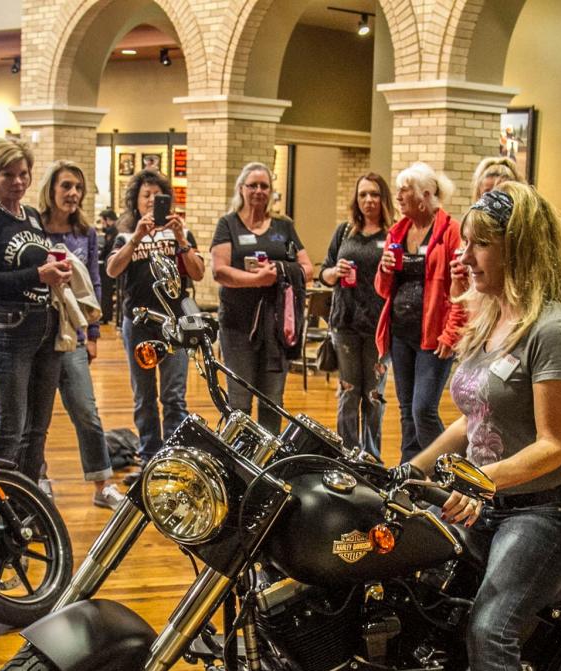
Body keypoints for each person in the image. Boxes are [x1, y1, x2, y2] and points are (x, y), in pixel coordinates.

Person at [410, 182, 561, 671]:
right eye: (467, 242)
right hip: (489, 502)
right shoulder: (492, 318)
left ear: (520, 249)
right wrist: (420, 462)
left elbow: (553, 444)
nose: (466, 255)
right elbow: (477, 417)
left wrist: (481, 482)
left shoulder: (553, 329)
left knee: (491, 629)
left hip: (546, 513)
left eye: (481, 244)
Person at [0, 138, 73, 482]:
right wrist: (37, 273)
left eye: (23, 173)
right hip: (7, 326)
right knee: (11, 425)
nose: (18, 182)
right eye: (8, 174)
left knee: (38, 427)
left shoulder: (33, 216)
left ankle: (25, 498)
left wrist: (57, 271)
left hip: (45, 322)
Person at [37, 161, 124, 509]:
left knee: (86, 411)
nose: (73, 194)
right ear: (51, 189)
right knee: (37, 417)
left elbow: (94, 282)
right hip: (39, 332)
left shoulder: (86, 233)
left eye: (78, 188)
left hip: (72, 332)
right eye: (66, 186)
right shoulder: (34, 227)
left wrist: (93, 335)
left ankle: (102, 484)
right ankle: (39, 478)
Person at [107, 169, 205, 464]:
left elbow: (198, 273)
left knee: (174, 395)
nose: (151, 201)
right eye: (145, 195)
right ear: (135, 201)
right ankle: (150, 456)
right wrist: (136, 237)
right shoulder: (125, 233)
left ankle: (173, 458)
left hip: (175, 324)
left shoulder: (182, 232)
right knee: (144, 396)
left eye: (157, 196)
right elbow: (112, 270)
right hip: (138, 324)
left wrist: (180, 239)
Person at [210, 162, 314, 433]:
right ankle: (239, 463)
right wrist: (255, 280)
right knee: (240, 402)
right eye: (252, 185)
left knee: (272, 400)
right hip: (237, 324)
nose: (258, 191)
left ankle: (268, 465)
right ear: (241, 189)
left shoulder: (284, 226)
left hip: (276, 327)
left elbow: (307, 269)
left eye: (264, 186)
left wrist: (280, 271)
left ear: (271, 191)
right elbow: (219, 270)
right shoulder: (228, 224)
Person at [376, 162, 468, 462]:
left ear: (426, 194)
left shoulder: (451, 232)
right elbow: (382, 288)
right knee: (406, 410)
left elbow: (461, 290)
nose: (399, 196)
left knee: (423, 409)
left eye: (406, 189)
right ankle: (411, 474)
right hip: (400, 332)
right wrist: (385, 268)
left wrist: (452, 332)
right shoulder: (398, 232)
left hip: (433, 336)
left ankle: (450, 468)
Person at [316, 172, 396, 459]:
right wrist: (334, 273)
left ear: (383, 198)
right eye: (363, 194)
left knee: (373, 396)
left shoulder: (393, 235)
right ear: (356, 199)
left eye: (374, 194)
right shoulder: (344, 231)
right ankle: (347, 454)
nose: (368, 200)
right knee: (349, 392)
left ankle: (371, 456)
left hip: (378, 326)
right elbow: (323, 273)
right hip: (345, 323)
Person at [96, 208, 120, 324]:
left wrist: (100, 256)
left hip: (110, 266)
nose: (102, 224)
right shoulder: (115, 230)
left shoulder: (113, 232)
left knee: (106, 291)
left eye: (102, 221)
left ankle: (106, 315)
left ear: (108, 220)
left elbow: (108, 249)